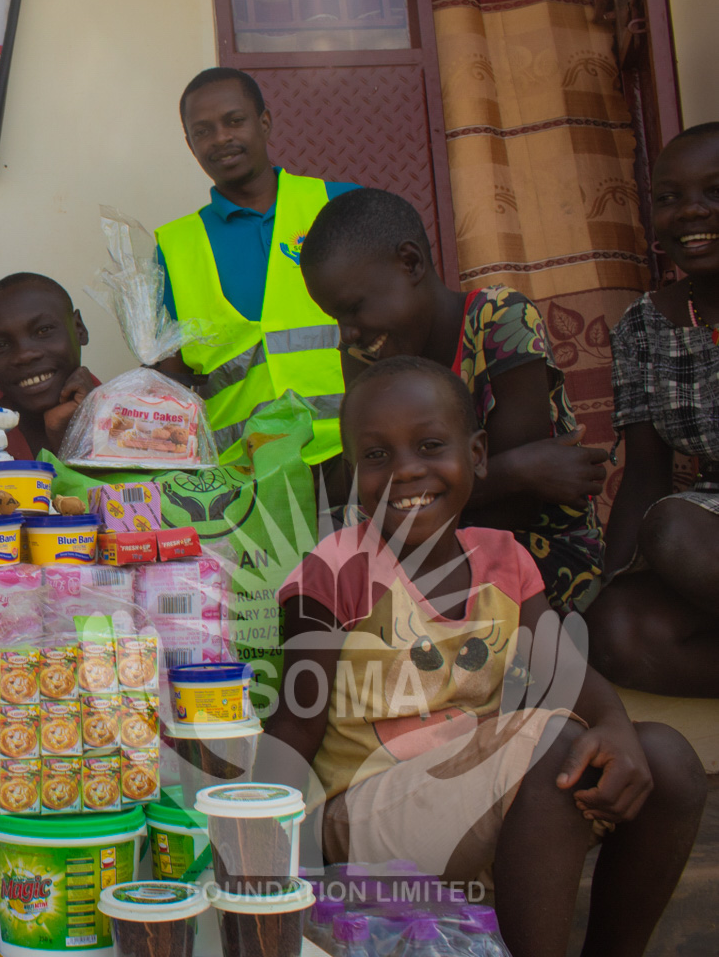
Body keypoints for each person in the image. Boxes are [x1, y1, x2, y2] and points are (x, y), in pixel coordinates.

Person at [265, 356, 703, 956]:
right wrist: (271, 871)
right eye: (376, 456)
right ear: (352, 473)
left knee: (667, 757)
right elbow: (292, 728)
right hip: (365, 817)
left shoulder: (504, 560)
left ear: (476, 454)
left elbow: (559, 668)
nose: (406, 471)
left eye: (429, 444)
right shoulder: (333, 573)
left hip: (485, 793)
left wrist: (617, 728)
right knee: (553, 750)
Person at [300, 188, 607, 613]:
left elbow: (515, 509)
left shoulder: (501, 320)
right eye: (335, 317)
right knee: (326, 551)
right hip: (421, 544)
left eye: (354, 309)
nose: (347, 332)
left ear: (410, 263)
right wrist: (520, 469)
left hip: (533, 551)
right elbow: (368, 486)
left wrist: (400, 503)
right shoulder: (362, 352)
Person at [152, 67, 360, 464]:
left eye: (234, 121)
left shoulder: (340, 205)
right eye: (203, 131)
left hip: (355, 453)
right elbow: (171, 379)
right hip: (243, 477)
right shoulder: (173, 247)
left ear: (264, 122)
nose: (221, 138)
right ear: (189, 144)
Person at [586, 122, 719, 696]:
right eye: (669, 198)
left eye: (715, 192)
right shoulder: (643, 325)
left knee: (673, 527)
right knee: (615, 630)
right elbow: (644, 476)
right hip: (707, 540)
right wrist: (606, 590)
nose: (691, 211)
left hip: (696, 538)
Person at [0, 273, 98, 460]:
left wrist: (72, 435)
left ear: (79, 328)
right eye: (0, 345)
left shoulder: (123, 415)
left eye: (43, 330)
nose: (24, 356)